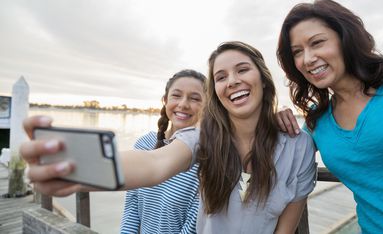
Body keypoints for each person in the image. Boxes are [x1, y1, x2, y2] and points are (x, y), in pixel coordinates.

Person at [20, 41, 316, 234]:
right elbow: (153, 164)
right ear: (216, 93)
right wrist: (76, 168)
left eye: (242, 70)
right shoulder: (203, 137)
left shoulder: (299, 146)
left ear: (263, 79)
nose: (233, 81)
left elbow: (285, 230)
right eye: (221, 76)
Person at [275, 0, 383, 233]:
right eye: (297, 52)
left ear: (346, 39)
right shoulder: (316, 120)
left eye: (318, 42)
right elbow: (276, 159)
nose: (308, 59)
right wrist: (272, 120)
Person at [120, 69, 206, 234]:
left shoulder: (208, 157)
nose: (183, 104)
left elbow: (193, 227)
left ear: (207, 106)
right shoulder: (144, 144)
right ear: (165, 100)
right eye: (176, 95)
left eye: (195, 98)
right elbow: (131, 209)